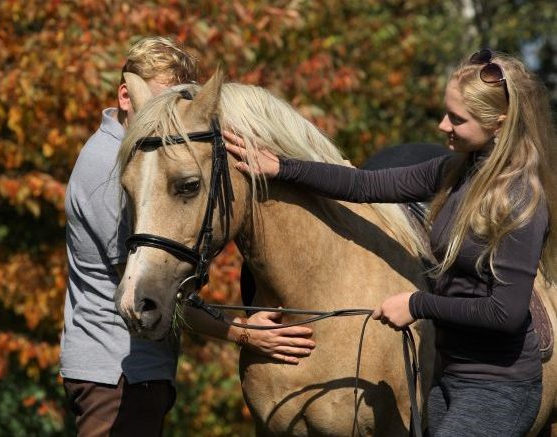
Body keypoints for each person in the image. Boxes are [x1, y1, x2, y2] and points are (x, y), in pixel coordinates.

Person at [224, 49, 556, 437]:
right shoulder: (456, 172)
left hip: (499, 387)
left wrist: (416, 304)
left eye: (457, 119)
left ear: (498, 124)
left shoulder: (520, 200)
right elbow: (365, 185)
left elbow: (507, 313)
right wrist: (284, 167)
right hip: (449, 378)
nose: (441, 125)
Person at [60, 36, 316, 437]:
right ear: (126, 97)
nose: (170, 118)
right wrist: (244, 333)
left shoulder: (141, 157)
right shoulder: (106, 166)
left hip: (135, 367)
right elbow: (146, 281)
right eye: (160, 102)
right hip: (114, 372)